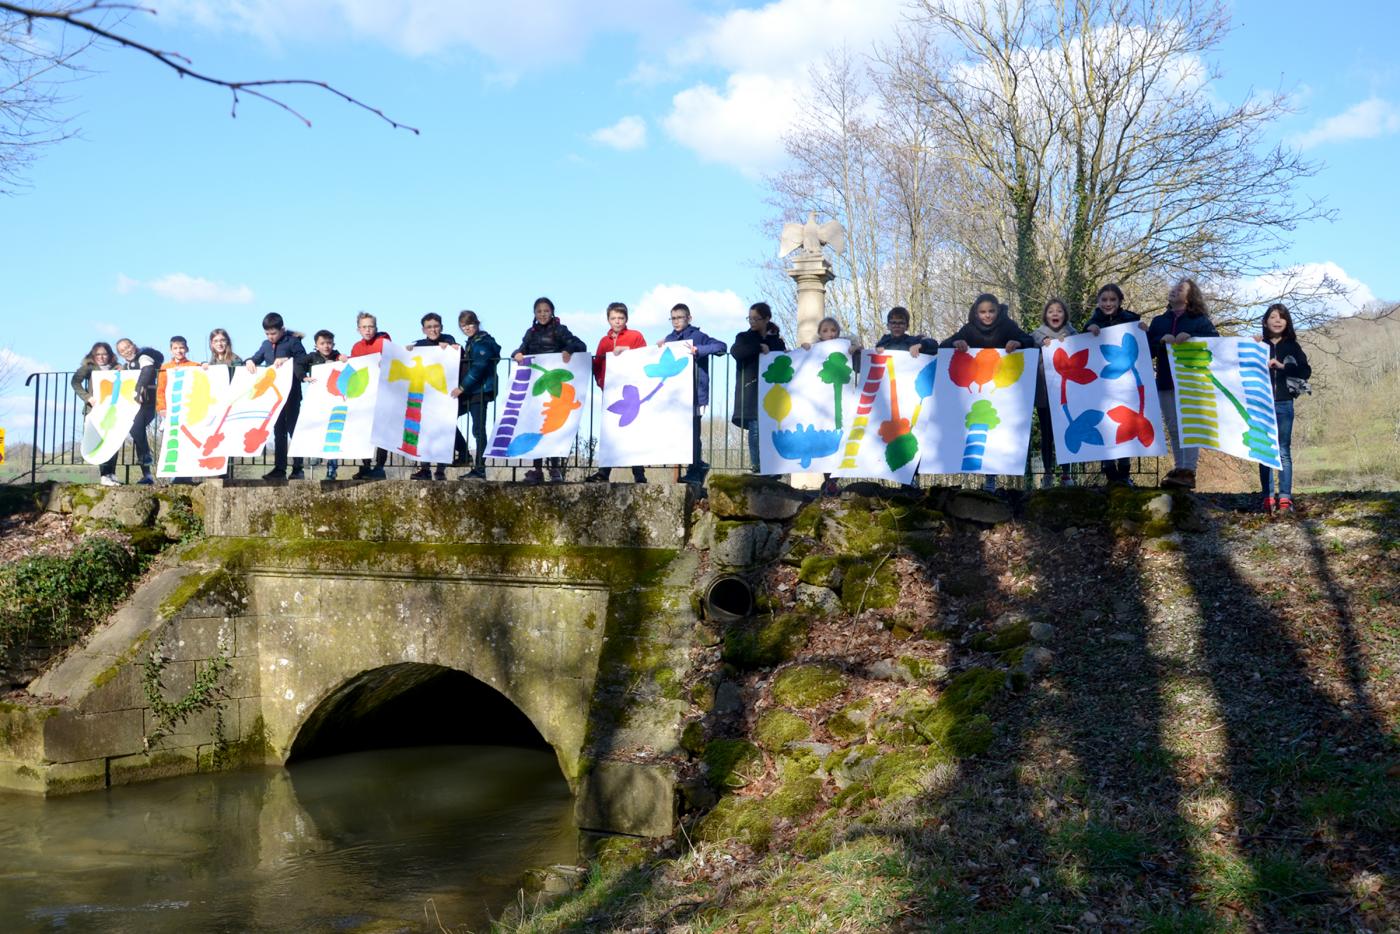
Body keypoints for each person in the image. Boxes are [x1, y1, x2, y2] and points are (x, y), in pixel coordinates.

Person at [940, 294, 1033, 492]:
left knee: (997, 432)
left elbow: (1030, 341)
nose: (987, 316)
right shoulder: (969, 329)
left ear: (998, 311)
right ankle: (969, 481)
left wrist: (1018, 343)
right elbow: (944, 346)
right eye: (983, 312)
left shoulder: (1008, 327)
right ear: (975, 312)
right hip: (975, 391)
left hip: (1000, 391)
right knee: (974, 429)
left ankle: (992, 478)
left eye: (991, 311)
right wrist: (956, 343)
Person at [1147, 278, 1218, 490]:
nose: (1174, 290)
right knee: (1174, 427)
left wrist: (1193, 336)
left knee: (1190, 426)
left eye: (1180, 289)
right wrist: (1160, 340)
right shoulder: (1158, 321)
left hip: (1192, 382)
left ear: (1190, 297)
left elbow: (1215, 342)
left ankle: (1190, 471)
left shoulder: (1200, 320)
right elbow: (1147, 350)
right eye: (1174, 288)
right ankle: (1179, 470)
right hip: (1166, 380)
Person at [512, 296, 586, 484]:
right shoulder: (531, 333)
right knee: (536, 424)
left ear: (552, 312)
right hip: (536, 386)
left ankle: (554, 469)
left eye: (546, 311)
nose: (543, 314)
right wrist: (517, 354)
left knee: (552, 426)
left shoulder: (560, 330)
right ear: (535, 314)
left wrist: (568, 349)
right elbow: (520, 349)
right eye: (539, 311)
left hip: (555, 387)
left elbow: (580, 344)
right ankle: (537, 469)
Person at [1084, 283, 1147, 486]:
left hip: (1126, 385)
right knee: (1106, 426)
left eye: (1112, 300)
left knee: (1126, 423)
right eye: (1104, 300)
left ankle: (1125, 472)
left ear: (1120, 301)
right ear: (1098, 302)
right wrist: (1088, 330)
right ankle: (1111, 474)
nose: (1108, 303)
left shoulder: (1132, 320)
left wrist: (1146, 332)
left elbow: (1147, 349)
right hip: (1102, 387)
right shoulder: (1092, 322)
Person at [660, 303, 727, 485]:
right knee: (680, 432)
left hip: (695, 393)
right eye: (673, 318)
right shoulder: (669, 338)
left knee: (693, 432)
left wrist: (699, 350)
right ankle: (693, 468)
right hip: (675, 396)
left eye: (679, 317)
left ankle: (695, 469)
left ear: (689, 318)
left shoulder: (698, 336)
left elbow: (721, 347)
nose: (676, 322)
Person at [586, 302, 648, 484]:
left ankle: (639, 473)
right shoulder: (604, 342)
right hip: (610, 391)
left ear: (626, 319)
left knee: (632, 430)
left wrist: (627, 351)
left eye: (620, 318)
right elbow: (597, 364)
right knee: (609, 433)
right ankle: (604, 472)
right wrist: (600, 381)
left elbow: (645, 356)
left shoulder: (635, 336)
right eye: (613, 318)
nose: (617, 321)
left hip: (631, 390)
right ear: (608, 319)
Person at [1257, 303, 1310, 514]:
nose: (1277, 320)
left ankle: (1285, 497)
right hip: (1260, 404)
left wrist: (1282, 366)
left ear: (1287, 322)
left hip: (1284, 403)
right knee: (1263, 451)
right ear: (1265, 321)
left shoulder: (1293, 346)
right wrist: (1251, 345)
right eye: (1273, 317)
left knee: (1283, 451)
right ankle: (1268, 497)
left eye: (1282, 317)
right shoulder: (1258, 345)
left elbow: (1306, 371)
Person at [802, 316, 861, 496]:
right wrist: (805, 350)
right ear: (819, 333)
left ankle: (833, 481)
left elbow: (858, 367)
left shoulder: (847, 348)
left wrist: (856, 350)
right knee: (824, 438)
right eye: (825, 331)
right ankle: (829, 481)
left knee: (842, 436)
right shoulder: (815, 350)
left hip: (842, 403)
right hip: (821, 405)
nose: (829, 334)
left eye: (833, 330)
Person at [245, 313, 306, 481]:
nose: (270, 337)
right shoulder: (265, 345)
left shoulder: (293, 342)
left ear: (282, 330)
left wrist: (288, 359)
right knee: (278, 432)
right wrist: (249, 361)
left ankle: (298, 468)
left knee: (294, 430)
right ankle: (280, 468)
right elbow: (256, 358)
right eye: (267, 334)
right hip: (274, 398)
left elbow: (304, 360)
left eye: (273, 333)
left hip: (292, 394)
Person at [731, 301, 787, 472]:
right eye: (750, 318)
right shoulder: (743, 337)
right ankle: (757, 465)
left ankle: (772, 467)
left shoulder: (777, 341)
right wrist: (758, 347)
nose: (752, 322)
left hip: (772, 392)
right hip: (751, 392)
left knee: (772, 430)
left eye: (757, 319)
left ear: (767, 319)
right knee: (755, 430)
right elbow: (736, 352)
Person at [1031, 299, 1077, 488]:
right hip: (1044, 395)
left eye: (1059, 310)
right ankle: (1048, 474)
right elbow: (1028, 340)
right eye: (1051, 311)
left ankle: (1066, 474)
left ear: (1065, 314)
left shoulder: (1073, 334)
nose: (1055, 314)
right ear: (1045, 315)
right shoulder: (1037, 334)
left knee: (1066, 433)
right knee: (1047, 434)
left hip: (1066, 395)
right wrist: (1043, 342)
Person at [408, 312, 459, 481]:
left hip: (443, 395)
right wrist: (406, 351)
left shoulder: (448, 339)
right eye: (429, 327)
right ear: (423, 329)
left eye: (436, 326)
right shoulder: (419, 344)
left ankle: (440, 469)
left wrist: (452, 347)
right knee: (424, 431)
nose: (433, 330)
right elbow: (407, 356)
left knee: (443, 429)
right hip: (426, 395)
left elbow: (458, 351)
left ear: (441, 327)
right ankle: (425, 469)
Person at [451, 310, 500, 480]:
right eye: (464, 326)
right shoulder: (473, 342)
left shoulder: (483, 342)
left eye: (470, 324)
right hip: (473, 391)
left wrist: (462, 387)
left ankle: (480, 468)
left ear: (477, 324)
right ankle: (465, 453)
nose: (467, 328)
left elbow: (479, 367)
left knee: (478, 430)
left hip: (479, 391)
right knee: (448, 419)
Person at [295, 329, 348, 480]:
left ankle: (332, 468)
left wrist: (344, 359)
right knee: (317, 429)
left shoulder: (338, 356)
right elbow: (298, 364)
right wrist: (303, 377)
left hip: (335, 401)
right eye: (322, 343)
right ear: (316, 345)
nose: (326, 346)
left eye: (329, 343)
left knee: (333, 434)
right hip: (318, 402)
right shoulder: (312, 357)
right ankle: (316, 456)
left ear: (333, 344)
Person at [114, 337, 163, 485]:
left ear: (133, 345)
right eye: (122, 350)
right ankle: (146, 472)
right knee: (136, 432)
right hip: (135, 404)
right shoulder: (127, 364)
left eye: (127, 347)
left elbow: (147, 371)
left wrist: (139, 389)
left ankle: (147, 461)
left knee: (136, 428)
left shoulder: (143, 356)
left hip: (148, 401)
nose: (126, 351)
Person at [72, 341, 121, 486]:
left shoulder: (117, 368)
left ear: (110, 355)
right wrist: (88, 398)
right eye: (98, 354)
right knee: (100, 442)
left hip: (113, 411)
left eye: (104, 354)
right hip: (95, 411)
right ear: (93, 355)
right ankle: (104, 475)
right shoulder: (89, 368)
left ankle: (111, 473)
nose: (101, 357)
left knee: (114, 441)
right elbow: (75, 382)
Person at [349, 312, 391, 480]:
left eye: (371, 326)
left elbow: (395, 360)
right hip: (364, 396)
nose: (367, 330)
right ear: (358, 329)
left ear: (376, 327)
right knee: (362, 431)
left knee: (382, 432)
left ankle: (379, 467)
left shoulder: (384, 342)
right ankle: (366, 466)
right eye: (364, 327)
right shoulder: (356, 347)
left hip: (383, 394)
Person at [155, 335, 199, 419]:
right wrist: (162, 407)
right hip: (172, 407)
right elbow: (160, 389)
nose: (178, 351)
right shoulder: (165, 368)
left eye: (181, 348)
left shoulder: (195, 366)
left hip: (190, 407)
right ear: (171, 350)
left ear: (186, 349)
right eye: (175, 348)